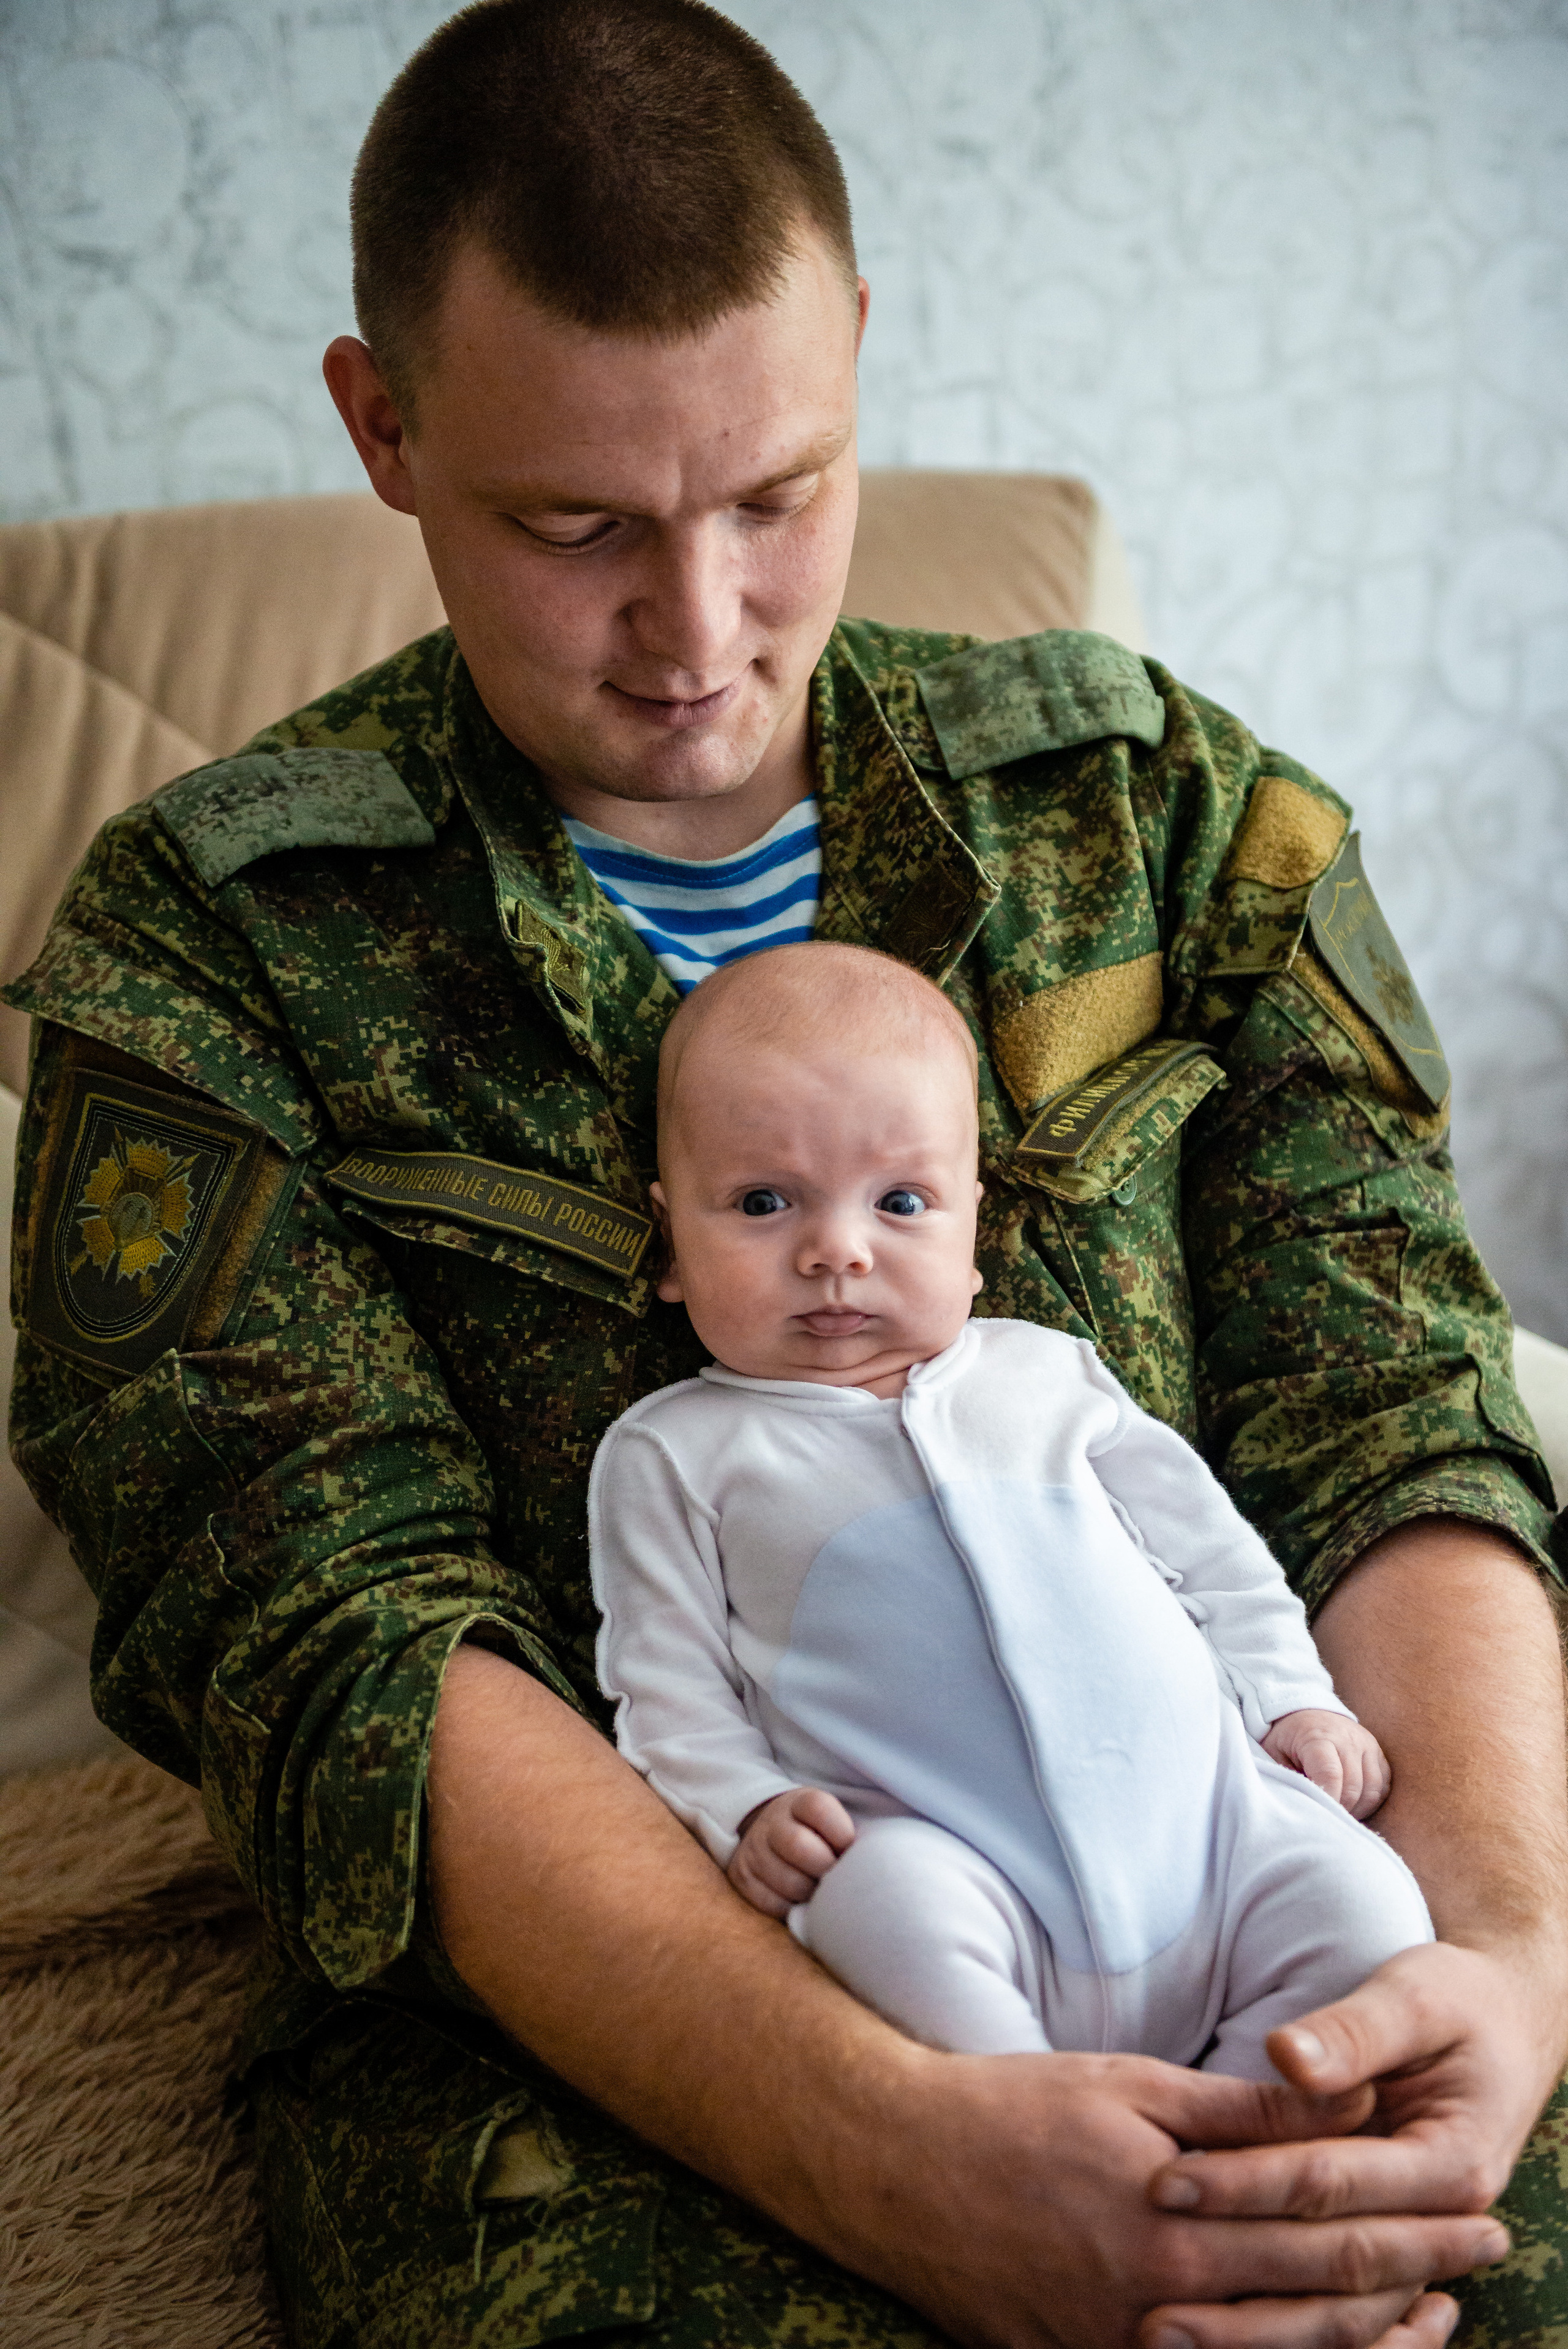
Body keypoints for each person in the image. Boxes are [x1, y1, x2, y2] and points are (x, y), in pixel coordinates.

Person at [3, 2, 1563, 2344]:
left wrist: (1497, 1974)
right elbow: (341, 1647)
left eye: (777, 494)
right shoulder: (206, 951)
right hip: (652, 2067)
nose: (699, 632)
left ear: (857, 350)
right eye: (577, 528)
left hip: (1276, 1865)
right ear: (385, 425)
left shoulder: (1169, 813)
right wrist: (884, 2143)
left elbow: (1399, 1398)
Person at [591, 941, 1436, 2081]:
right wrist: (746, 1806)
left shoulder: (1049, 1377)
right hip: (956, 1868)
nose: (836, 1249)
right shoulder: (677, 1451)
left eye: (900, 1201)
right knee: (875, 1903)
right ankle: (1045, 2117)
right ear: (671, 1244)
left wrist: (1291, 1695)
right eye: (760, 1201)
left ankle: (1247, 2138)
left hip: (1214, 1837)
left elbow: (1214, 1555)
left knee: (1371, 1911)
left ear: (973, 1227)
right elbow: (667, 1683)